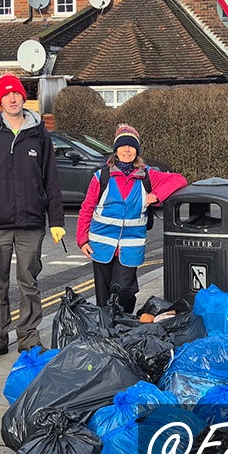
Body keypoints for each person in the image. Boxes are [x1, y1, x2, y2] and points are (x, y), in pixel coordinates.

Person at [0, 74, 66, 360]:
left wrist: (56, 220)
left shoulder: (39, 134)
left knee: (29, 283)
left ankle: (28, 337)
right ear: (1, 100)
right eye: (7, 95)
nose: (12, 99)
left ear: (24, 98)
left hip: (31, 224)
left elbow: (51, 180)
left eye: (17, 94)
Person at [76, 123, 187, 313]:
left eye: (131, 146)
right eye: (122, 146)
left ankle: (123, 322)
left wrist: (157, 195)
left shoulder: (147, 175)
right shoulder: (101, 176)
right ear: (115, 150)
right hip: (101, 243)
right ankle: (107, 332)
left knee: (124, 289)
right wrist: (82, 239)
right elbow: (87, 208)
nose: (127, 150)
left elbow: (179, 180)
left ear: (137, 151)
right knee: (103, 296)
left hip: (130, 245)